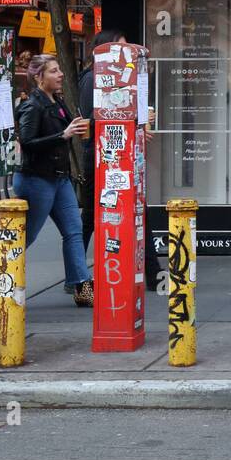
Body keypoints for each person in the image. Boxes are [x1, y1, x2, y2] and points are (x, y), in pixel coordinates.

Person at [0, 54, 94, 308]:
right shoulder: (32, 106)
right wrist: (63, 135)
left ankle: (81, 286)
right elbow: (27, 142)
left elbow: (68, 129)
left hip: (60, 178)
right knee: (25, 235)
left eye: (59, 69)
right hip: (36, 180)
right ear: (39, 77)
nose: (60, 74)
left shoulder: (57, 100)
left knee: (74, 231)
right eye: (54, 71)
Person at [78, 30, 161, 292]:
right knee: (90, 217)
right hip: (101, 158)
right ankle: (76, 274)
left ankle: (153, 272)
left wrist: (137, 124)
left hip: (122, 157)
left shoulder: (123, 81)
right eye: (122, 49)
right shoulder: (91, 79)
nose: (127, 55)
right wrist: (132, 122)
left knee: (138, 211)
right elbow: (93, 121)